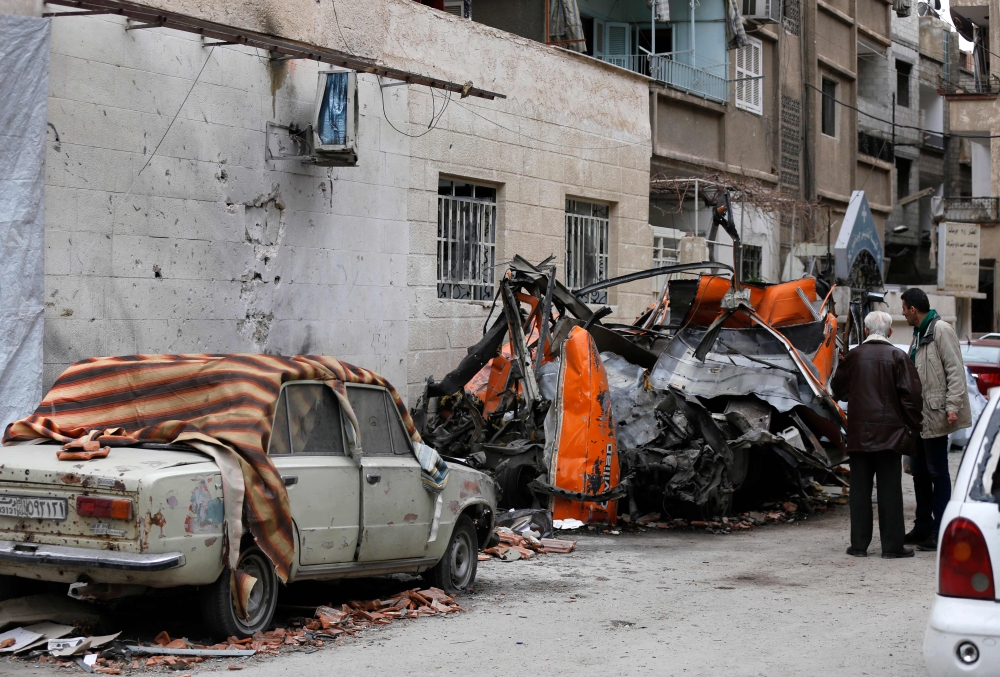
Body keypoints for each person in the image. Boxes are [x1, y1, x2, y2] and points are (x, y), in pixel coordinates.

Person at [832, 310, 923, 558]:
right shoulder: (898, 356)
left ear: (865, 331)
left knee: (860, 490)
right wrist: (913, 426)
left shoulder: (853, 356)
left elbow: (836, 388)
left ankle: (858, 546)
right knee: (890, 490)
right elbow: (912, 397)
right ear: (890, 332)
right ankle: (892, 547)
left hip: (859, 432)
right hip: (890, 435)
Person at [900, 287, 971, 551]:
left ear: (913, 309)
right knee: (918, 472)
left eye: (904, 308)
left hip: (937, 413)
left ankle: (940, 529)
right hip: (918, 417)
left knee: (938, 472)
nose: (902, 313)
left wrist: (953, 406)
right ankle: (923, 526)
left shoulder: (941, 330)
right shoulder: (919, 334)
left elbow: (955, 371)